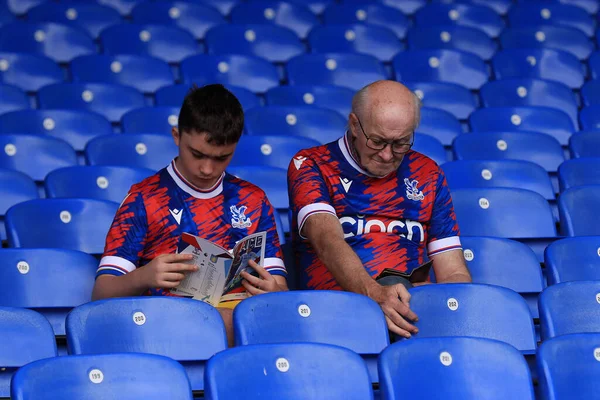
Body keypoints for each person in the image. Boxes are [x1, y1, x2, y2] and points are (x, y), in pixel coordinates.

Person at [92, 84, 288, 343]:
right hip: (166, 330)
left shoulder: (253, 199)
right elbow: (101, 294)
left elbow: (280, 287)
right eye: (197, 154)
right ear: (176, 136)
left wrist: (273, 290)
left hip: (246, 324)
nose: (207, 168)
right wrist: (145, 275)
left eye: (221, 158)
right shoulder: (143, 198)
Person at [287, 80, 471, 339]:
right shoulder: (311, 164)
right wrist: (375, 295)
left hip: (414, 314)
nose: (387, 155)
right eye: (377, 141)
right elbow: (326, 240)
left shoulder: (428, 173)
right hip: (333, 316)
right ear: (354, 124)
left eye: (400, 143)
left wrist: (438, 301)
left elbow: (454, 271)